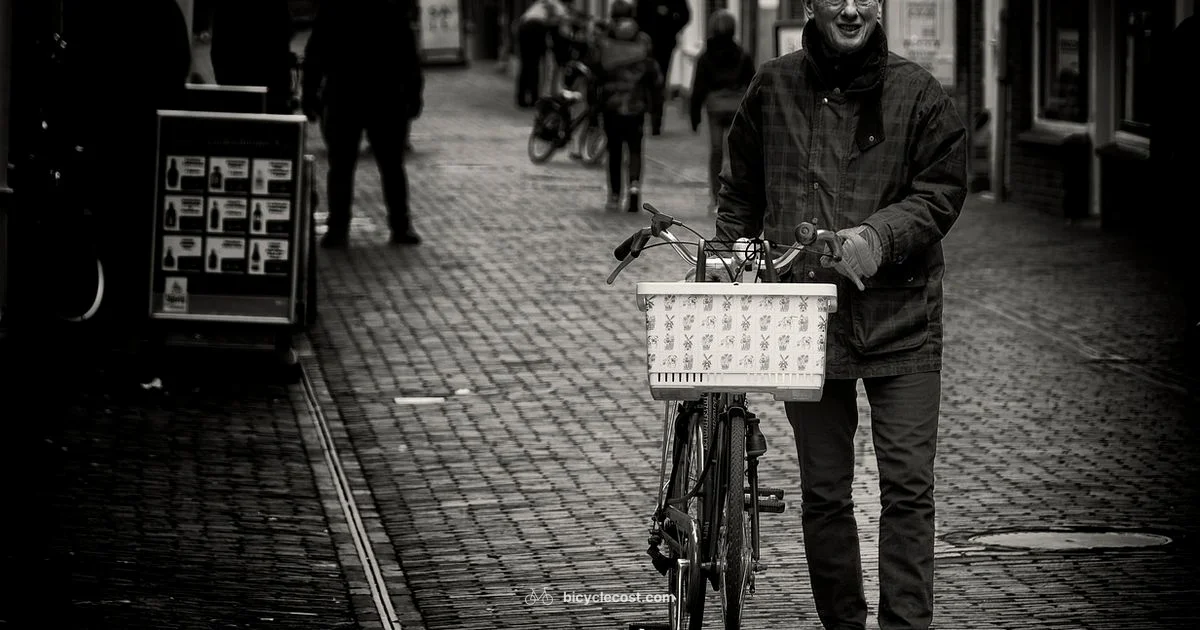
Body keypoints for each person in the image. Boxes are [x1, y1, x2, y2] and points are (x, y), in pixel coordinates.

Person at [713, 1, 967, 628]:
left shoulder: (918, 92)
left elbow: (940, 190)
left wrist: (878, 237)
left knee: (908, 488)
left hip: (902, 317)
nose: (851, 8)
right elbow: (740, 190)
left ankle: (906, 625)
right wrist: (737, 260)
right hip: (806, 321)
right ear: (810, 6)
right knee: (825, 494)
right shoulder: (773, 85)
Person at [303, 0, 424, 248]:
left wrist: (310, 92)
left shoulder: (334, 6)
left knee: (342, 166)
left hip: (345, 93)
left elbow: (316, 50)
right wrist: (413, 92)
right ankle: (400, 225)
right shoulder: (390, 6)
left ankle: (338, 228)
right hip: (384, 93)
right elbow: (407, 52)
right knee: (390, 164)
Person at [591, 0, 661, 213]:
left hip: (611, 105)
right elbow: (654, 77)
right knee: (635, 149)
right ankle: (633, 188)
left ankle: (614, 195)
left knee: (614, 150)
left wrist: (594, 106)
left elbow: (595, 75)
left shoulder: (604, 41)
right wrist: (655, 107)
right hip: (636, 105)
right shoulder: (643, 41)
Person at [688, 9, 755, 212]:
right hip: (736, 106)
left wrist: (694, 116)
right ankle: (737, 194)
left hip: (715, 107)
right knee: (736, 153)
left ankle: (715, 196)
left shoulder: (706, 56)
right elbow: (752, 83)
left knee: (716, 151)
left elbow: (698, 87)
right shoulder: (742, 54)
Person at [209, 0, 296, 114]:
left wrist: (225, 82)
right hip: (271, 87)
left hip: (236, 87)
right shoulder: (276, 5)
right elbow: (286, 33)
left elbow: (217, 49)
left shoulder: (225, 6)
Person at [635, 0, 690, 135]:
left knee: (658, 84)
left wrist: (671, 26)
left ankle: (655, 121)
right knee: (647, 82)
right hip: (646, 47)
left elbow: (685, 15)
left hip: (663, 45)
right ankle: (647, 117)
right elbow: (637, 15)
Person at [515, 0, 568, 107]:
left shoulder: (541, 3)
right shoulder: (560, 7)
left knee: (526, 64)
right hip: (536, 28)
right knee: (534, 65)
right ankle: (534, 98)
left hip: (523, 27)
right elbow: (556, 27)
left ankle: (521, 98)